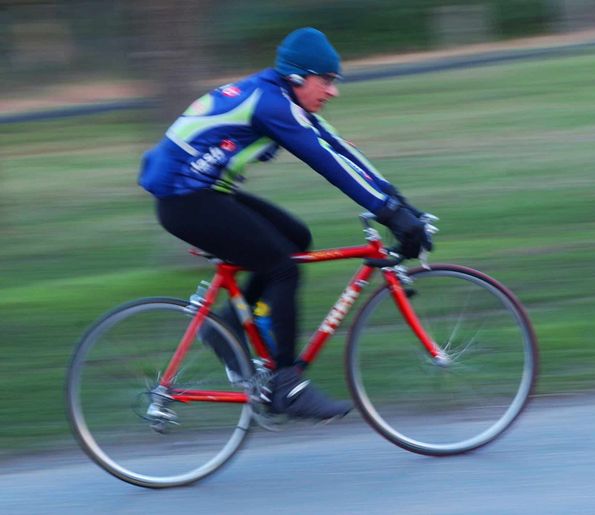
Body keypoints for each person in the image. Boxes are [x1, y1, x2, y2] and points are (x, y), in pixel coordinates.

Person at [138, 27, 431, 421]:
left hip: (204, 194)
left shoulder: (280, 98)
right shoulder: (271, 104)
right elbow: (327, 165)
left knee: (296, 237)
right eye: (325, 81)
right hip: (185, 202)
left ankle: (226, 327)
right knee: (282, 269)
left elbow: (340, 150)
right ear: (298, 77)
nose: (333, 91)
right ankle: (286, 385)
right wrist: (390, 215)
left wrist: (400, 206)